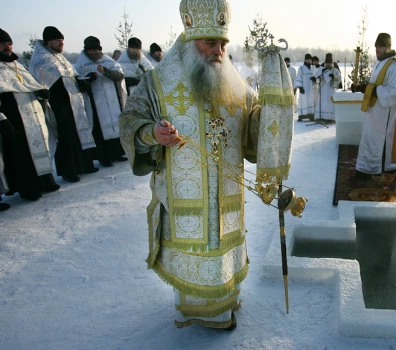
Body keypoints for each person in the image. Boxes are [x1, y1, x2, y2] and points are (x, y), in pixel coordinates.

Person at [119, 0, 292, 330]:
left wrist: (273, 105)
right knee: (195, 247)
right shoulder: (158, 82)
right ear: (189, 39)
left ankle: (225, 306)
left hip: (227, 196)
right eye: (210, 42)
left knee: (223, 249)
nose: (218, 50)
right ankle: (197, 312)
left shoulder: (237, 86)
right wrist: (151, 132)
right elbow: (130, 121)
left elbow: (253, 131)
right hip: (185, 196)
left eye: (223, 44)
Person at [29, 26, 98, 183]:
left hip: (74, 103)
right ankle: (68, 171)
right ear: (48, 42)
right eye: (58, 41)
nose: (61, 44)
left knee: (78, 134)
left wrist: (84, 81)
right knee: (65, 138)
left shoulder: (60, 58)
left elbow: (72, 78)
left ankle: (83, 165)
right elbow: (42, 86)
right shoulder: (41, 60)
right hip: (58, 105)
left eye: (62, 41)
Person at [0, 28, 59, 201]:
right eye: (3, 43)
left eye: (9, 43)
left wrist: (41, 95)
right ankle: (28, 188)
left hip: (32, 115)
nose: (7, 46)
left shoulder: (18, 65)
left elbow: (31, 86)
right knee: (21, 154)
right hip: (13, 118)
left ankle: (45, 181)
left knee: (40, 147)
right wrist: (2, 120)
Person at [352, 33, 396, 188]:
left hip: (385, 114)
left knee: (377, 141)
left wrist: (373, 90)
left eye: (381, 46)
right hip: (375, 111)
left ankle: (367, 172)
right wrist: (362, 87)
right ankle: (366, 169)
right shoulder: (380, 63)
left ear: (388, 47)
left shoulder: (395, 65)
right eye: (376, 46)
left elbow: (394, 91)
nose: (377, 49)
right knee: (370, 139)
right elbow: (374, 84)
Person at [74, 36, 127, 168]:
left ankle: (116, 153)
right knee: (99, 130)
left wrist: (106, 71)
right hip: (95, 103)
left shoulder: (109, 62)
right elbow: (79, 85)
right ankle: (103, 157)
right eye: (90, 50)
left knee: (115, 126)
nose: (92, 53)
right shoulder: (80, 66)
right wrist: (91, 77)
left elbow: (119, 76)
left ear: (99, 50)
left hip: (112, 99)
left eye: (95, 50)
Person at [314, 53, 341, 121]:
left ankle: (330, 118)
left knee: (330, 103)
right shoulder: (322, 69)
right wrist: (321, 73)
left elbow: (339, 78)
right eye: (327, 63)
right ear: (325, 63)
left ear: (332, 63)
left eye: (329, 63)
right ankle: (321, 117)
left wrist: (334, 76)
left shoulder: (335, 70)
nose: (328, 64)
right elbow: (316, 78)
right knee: (322, 103)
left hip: (331, 90)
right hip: (323, 90)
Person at [294, 53, 316, 121]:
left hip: (312, 88)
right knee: (304, 101)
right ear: (305, 60)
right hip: (304, 88)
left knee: (311, 101)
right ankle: (302, 115)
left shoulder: (313, 68)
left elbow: (317, 77)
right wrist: (300, 87)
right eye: (307, 59)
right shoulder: (301, 68)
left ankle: (311, 114)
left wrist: (315, 79)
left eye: (310, 59)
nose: (309, 60)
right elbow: (298, 78)